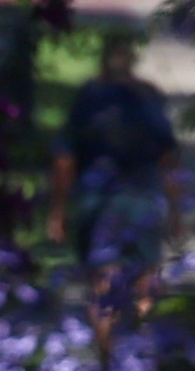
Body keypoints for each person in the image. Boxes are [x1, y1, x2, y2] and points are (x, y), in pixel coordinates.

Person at [54, 32, 182, 290]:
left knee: (103, 278)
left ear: (102, 62)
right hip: (143, 198)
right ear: (133, 61)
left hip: (96, 201)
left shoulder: (88, 98)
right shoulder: (149, 97)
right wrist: (176, 211)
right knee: (145, 275)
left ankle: (106, 330)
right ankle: (144, 325)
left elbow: (64, 159)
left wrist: (57, 211)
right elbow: (168, 159)